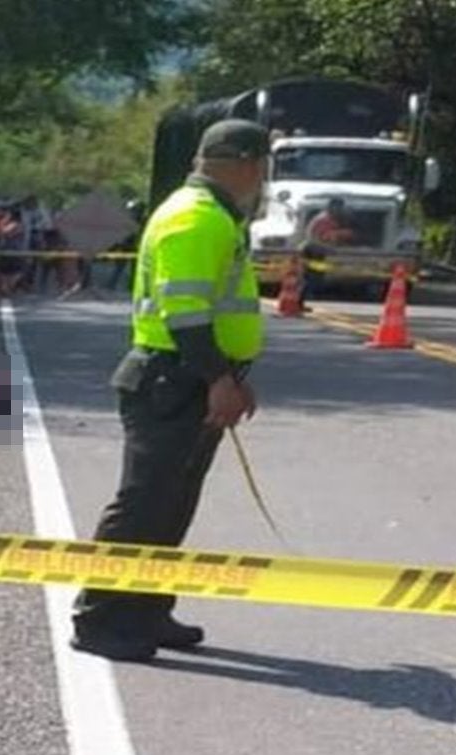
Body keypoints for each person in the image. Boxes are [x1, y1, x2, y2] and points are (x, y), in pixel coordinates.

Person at [71, 119, 269, 662]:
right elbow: (185, 315)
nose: (263, 179)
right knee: (144, 504)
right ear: (249, 164)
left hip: (186, 378)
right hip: (172, 379)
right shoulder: (196, 219)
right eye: (263, 167)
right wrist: (220, 380)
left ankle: (146, 608)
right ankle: (101, 618)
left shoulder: (211, 216)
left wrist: (231, 375)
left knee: (171, 504)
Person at [299, 198, 354, 310]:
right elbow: (320, 237)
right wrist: (333, 244)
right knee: (311, 277)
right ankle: (299, 301)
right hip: (313, 251)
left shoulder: (328, 219)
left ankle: (300, 301)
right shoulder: (324, 220)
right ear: (331, 207)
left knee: (315, 276)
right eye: (338, 208)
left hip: (317, 251)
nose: (340, 210)